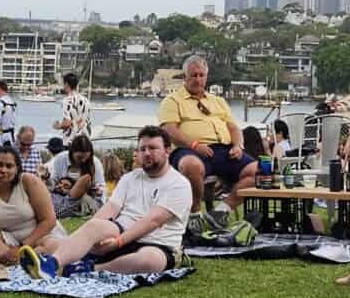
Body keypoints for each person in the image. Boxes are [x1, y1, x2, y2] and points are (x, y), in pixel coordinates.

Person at [36, 127, 191, 275]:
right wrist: (91, 235)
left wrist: (118, 242)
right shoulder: (130, 178)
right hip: (121, 230)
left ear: (167, 151)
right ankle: (51, 264)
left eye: (152, 148)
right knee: (95, 226)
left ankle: (91, 268)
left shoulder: (179, 184)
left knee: (150, 261)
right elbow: (111, 207)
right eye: (142, 149)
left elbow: (153, 221)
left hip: (157, 242)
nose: (147, 153)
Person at [158, 55, 257, 206]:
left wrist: (238, 146)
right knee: (191, 165)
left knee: (258, 171)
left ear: (206, 77)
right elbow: (169, 130)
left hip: (224, 151)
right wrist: (195, 145)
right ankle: (195, 211)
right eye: (193, 75)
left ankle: (223, 210)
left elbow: (233, 128)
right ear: (185, 77)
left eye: (201, 75)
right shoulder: (172, 101)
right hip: (189, 150)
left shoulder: (218, 101)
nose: (198, 79)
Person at [49, 133, 106, 218]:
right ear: (72, 152)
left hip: (86, 198)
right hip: (62, 198)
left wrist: (98, 191)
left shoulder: (95, 162)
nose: (83, 160)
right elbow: (54, 181)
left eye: (86, 157)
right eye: (79, 157)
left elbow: (101, 186)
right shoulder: (60, 159)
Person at [55, 72, 90, 145]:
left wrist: (58, 126)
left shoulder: (67, 100)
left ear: (67, 84)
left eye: (63, 83)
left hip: (71, 141)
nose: (62, 86)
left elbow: (67, 123)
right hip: (85, 140)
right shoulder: (86, 100)